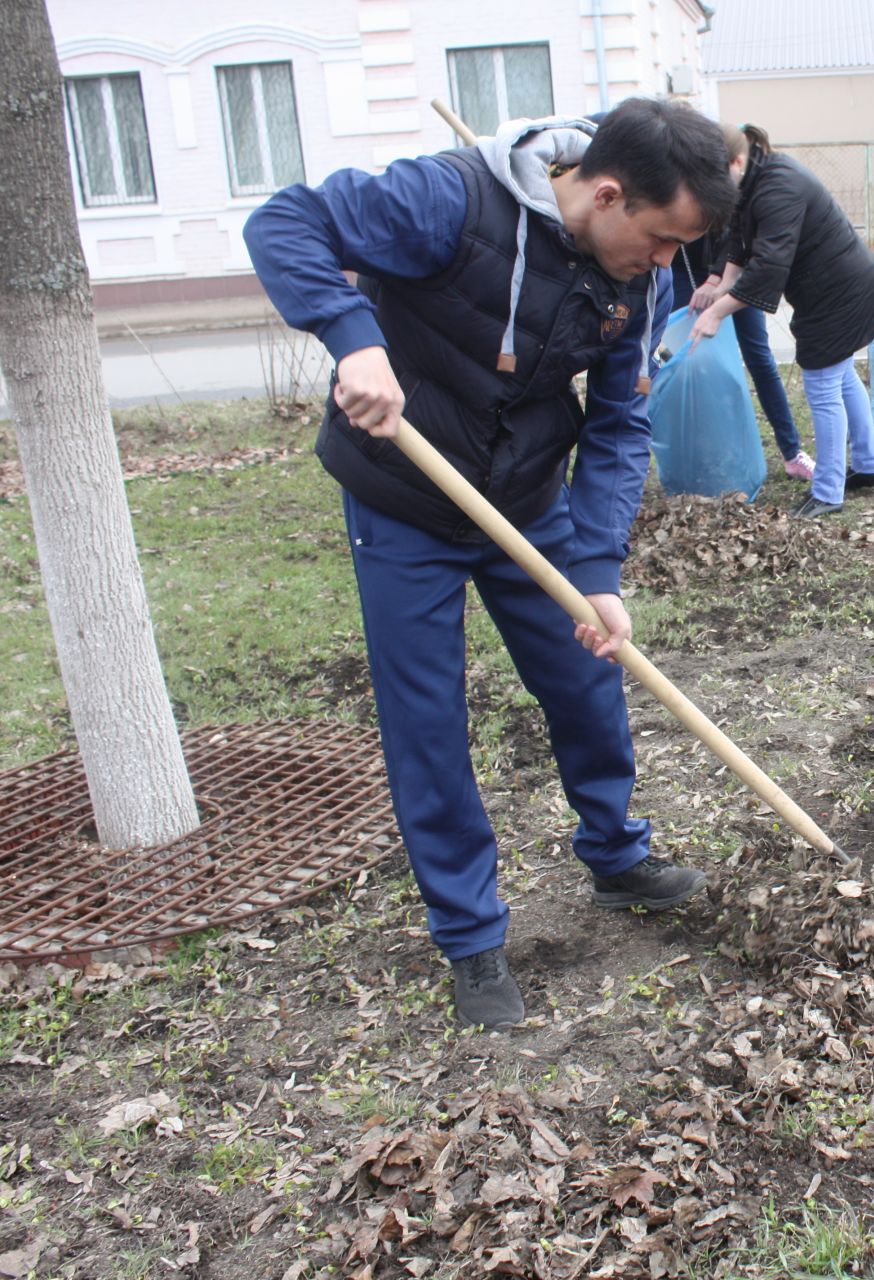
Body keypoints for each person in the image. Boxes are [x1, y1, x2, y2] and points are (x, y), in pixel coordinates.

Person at [242, 98, 736, 1029]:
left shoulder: (641, 278)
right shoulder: (447, 201)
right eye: (662, 238)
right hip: (404, 499)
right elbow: (285, 221)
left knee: (587, 674)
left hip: (528, 498)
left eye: (682, 248)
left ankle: (617, 854)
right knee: (427, 717)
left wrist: (596, 570)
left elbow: (622, 423)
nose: (668, 264)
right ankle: (471, 938)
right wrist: (354, 339)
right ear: (604, 192)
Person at [687, 124, 874, 518]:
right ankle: (868, 464)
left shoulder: (779, 186)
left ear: (737, 161)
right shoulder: (755, 178)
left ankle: (829, 491)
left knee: (822, 383)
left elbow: (768, 264)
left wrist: (717, 311)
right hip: (831, 289)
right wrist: (719, 281)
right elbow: (739, 240)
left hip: (841, 294)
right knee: (841, 376)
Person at [675, 233, 812, 482]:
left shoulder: (741, 197)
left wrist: (717, 276)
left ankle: (792, 453)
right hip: (683, 267)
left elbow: (736, 226)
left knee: (759, 357)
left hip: (733, 267)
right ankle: (701, 458)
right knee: (692, 364)